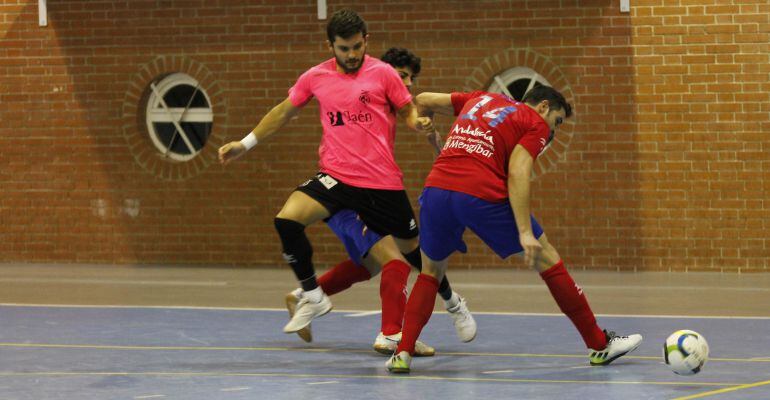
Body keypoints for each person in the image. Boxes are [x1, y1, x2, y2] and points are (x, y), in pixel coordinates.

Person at [218, 10, 472, 345]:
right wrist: (245, 144)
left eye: (356, 47)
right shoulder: (315, 76)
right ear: (331, 46)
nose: (351, 55)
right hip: (336, 178)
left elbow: (407, 110)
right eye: (344, 49)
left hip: (381, 184)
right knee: (287, 221)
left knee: (413, 254)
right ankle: (313, 295)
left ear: (366, 40)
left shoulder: (383, 73)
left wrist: (417, 123)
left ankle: (452, 304)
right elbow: (283, 112)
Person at [385, 86, 643, 373]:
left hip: (437, 189)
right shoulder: (533, 122)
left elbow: (423, 100)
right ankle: (598, 345)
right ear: (543, 106)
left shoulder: (482, 98)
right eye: (556, 121)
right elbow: (518, 171)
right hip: (479, 193)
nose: (553, 131)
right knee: (548, 257)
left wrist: (428, 128)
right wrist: (524, 231)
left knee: (430, 272)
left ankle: (403, 352)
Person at [284, 48, 477, 357]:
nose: (406, 83)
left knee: (370, 264)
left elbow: (420, 117)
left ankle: (305, 294)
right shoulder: (360, 90)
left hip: (373, 191)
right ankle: (396, 331)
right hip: (345, 196)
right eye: (401, 76)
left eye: (410, 78)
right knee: (398, 259)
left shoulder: (398, 102)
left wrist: (434, 140)